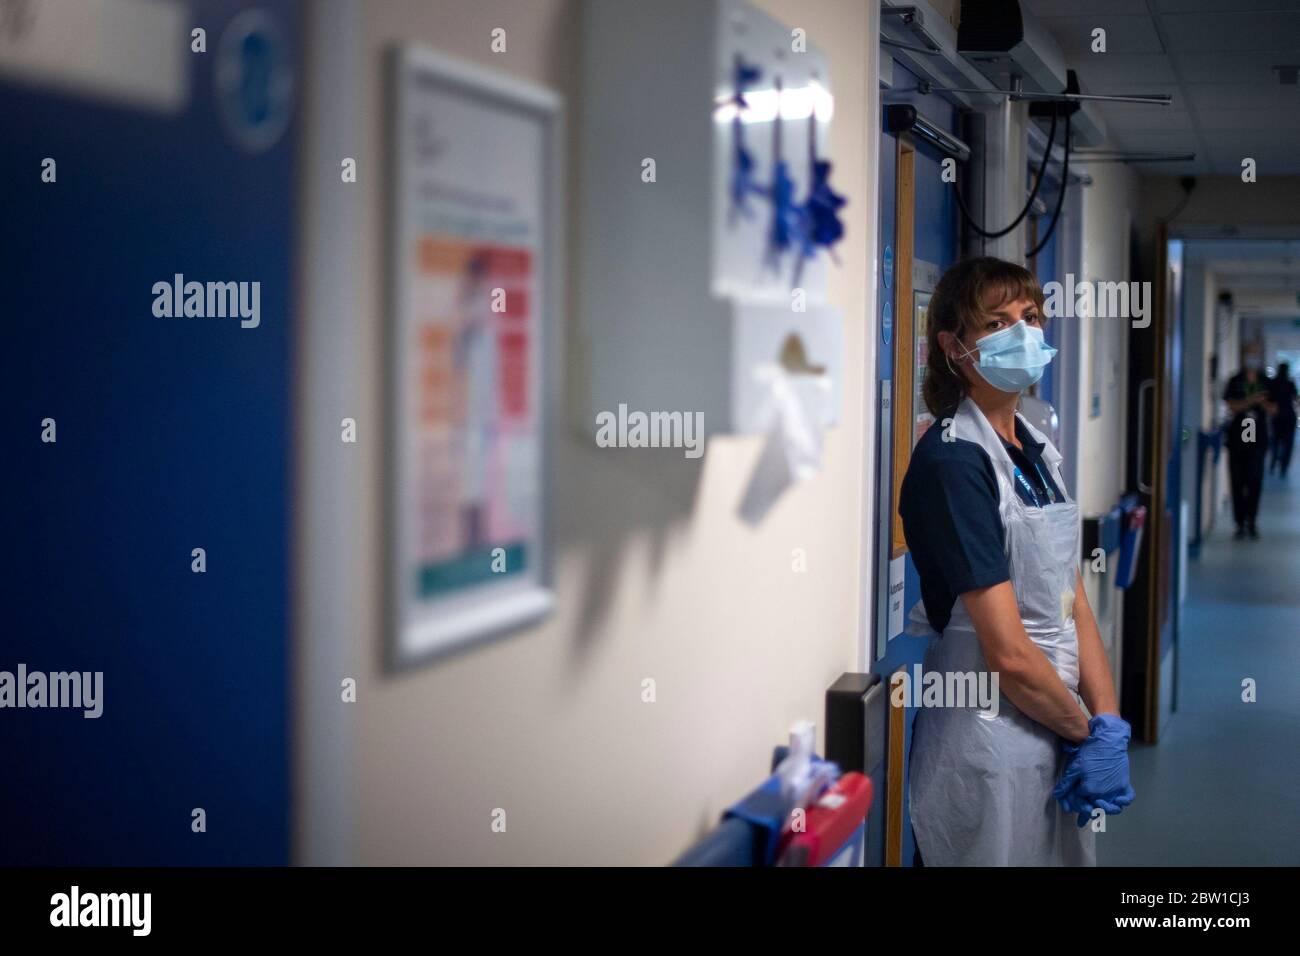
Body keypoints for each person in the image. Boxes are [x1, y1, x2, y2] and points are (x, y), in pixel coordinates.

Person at [898, 257, 1133, 866]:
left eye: (1030, 316)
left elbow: (1071, 598)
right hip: (988, 735)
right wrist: (1087, 736)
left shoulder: (1034, 447)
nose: (1023, 333)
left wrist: (1108, 722)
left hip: (1057, 724)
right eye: (998, 323)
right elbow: (1005, 651)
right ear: (954, 346)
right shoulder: (954, 462)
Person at [1222, 345, 1275, 538]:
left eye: (1255, 355)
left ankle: (1252, 521)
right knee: (1237, 482)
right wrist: (1250, 401)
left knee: (1255, 481)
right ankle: (1239, 522)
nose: (1252, 359)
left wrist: (1260, 402)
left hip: (1257, 442)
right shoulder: (1235, 381)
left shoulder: (1267, 382)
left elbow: (1274, 409)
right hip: (1237, 441)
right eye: (1249, 355)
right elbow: (1231, 405)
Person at [1267, 361, 1297, 479]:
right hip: (1289, 416)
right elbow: (1295, 398)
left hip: (1277, 416)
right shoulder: (1290, 383)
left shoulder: (1272, 383)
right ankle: (1284, 466)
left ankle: (1273, 463)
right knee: (1288, 443)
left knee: (1275, 441)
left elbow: (1268, 399)